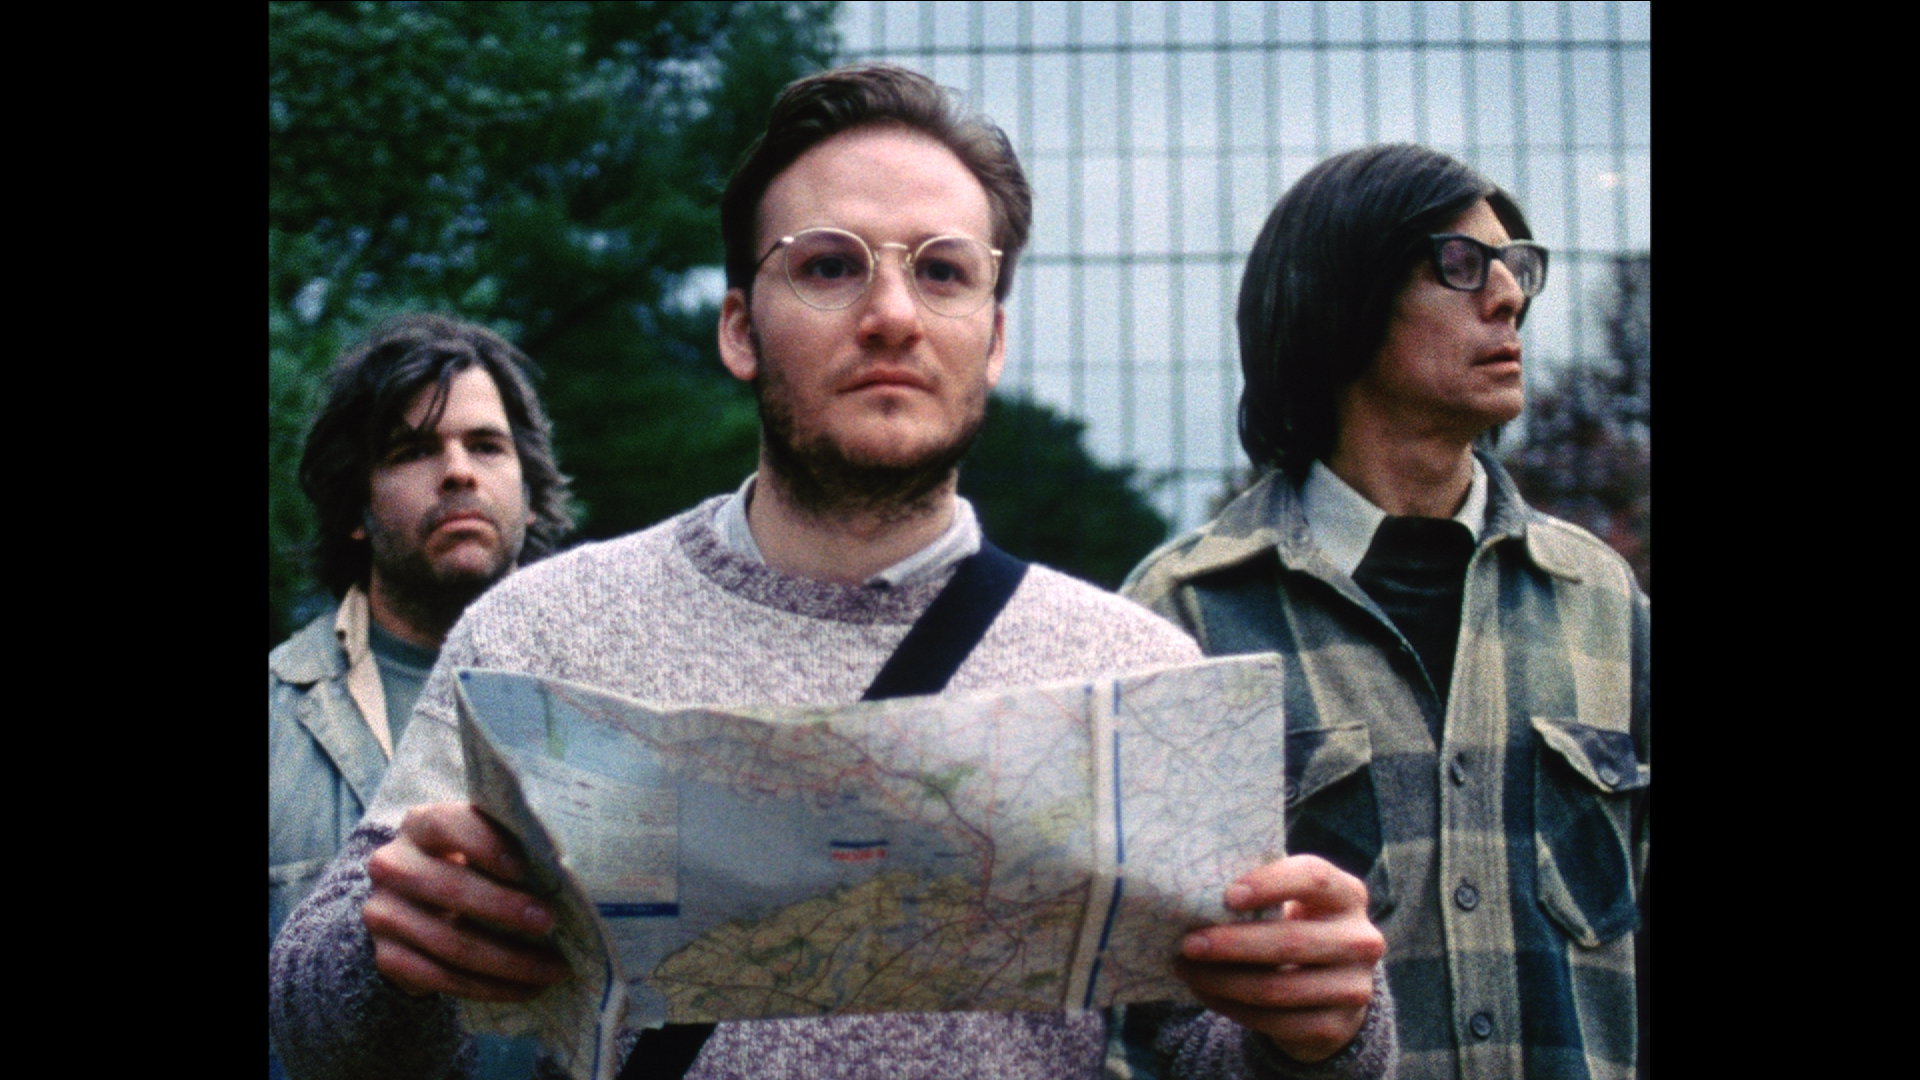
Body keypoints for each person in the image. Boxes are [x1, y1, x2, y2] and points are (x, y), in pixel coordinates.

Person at [270, 66, 1396, 1080]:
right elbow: (320, 1031)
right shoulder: (546, 634)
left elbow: (1217, 1050)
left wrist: (1326, 1026)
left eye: (944, 271)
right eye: (828, 265)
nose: (892, 313)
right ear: (740, 329)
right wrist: (389, 945)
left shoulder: (1132, 669)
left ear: (992, 337)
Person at [1124, 144, 1648, 1080]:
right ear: (1340, 297)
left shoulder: (1604, 604)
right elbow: (1137, 1021)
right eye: (1461, 265)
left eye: (1518, 268)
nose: (1508, 298)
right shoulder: (1180, 618)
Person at [269, 313, 574, 1076]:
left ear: (530, 495)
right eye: (412, 450)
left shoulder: (617, 712)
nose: (459, 470)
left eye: (486, 445)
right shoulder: (276, 720)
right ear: (358, 511)